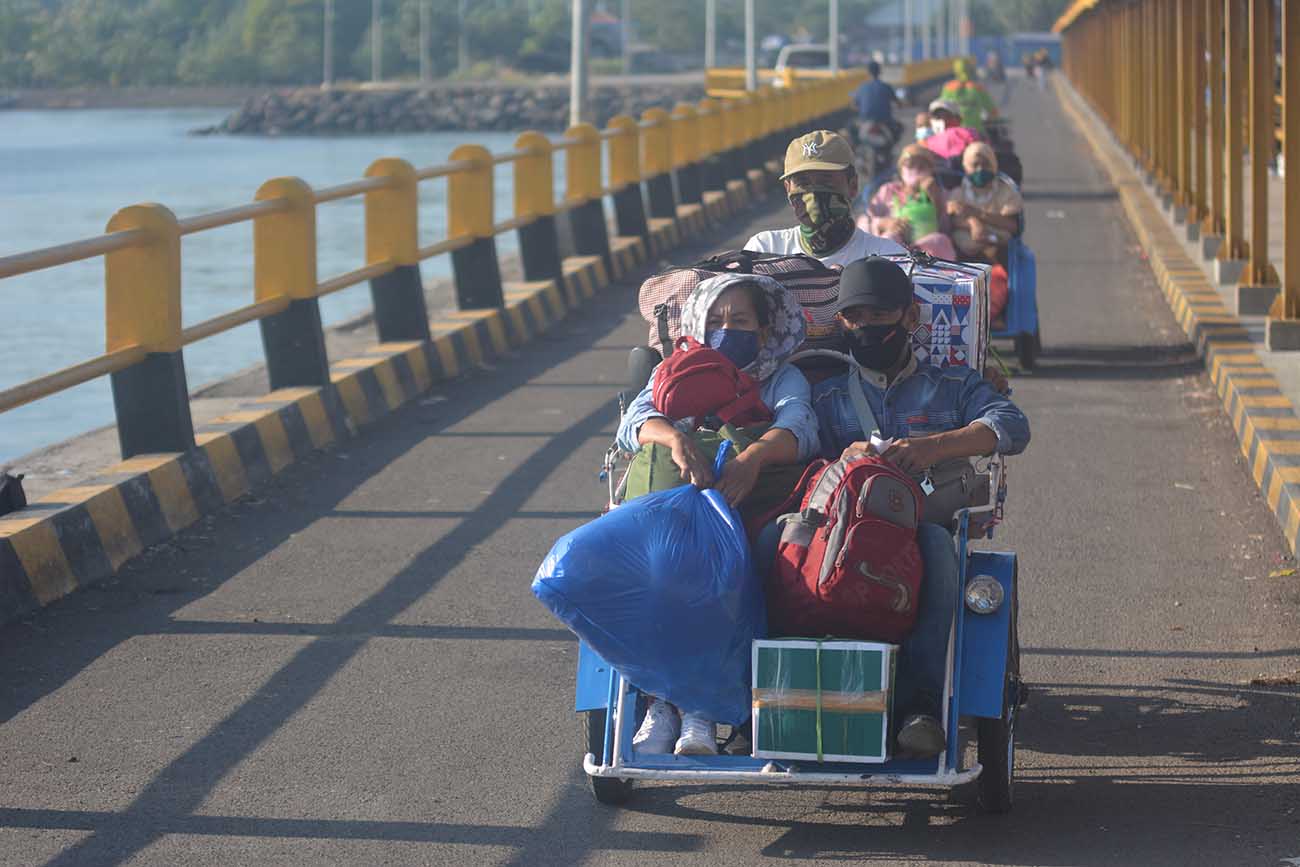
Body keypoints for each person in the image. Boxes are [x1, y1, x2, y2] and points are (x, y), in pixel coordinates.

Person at [810, 257, 1030, 756]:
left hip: (923, 526)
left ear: (911, 318)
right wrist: (841, 459)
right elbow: (796, 458)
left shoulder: (951, 385)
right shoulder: (823, 398)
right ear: (841, 322)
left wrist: (936, 446)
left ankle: (921, 704)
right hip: (840, 532)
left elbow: (1012, 426)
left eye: (879, 315)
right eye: (854, 318)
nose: (866, 328)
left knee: (935, 548)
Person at [618, 272, 819, 756]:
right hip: (679, 517)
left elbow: (801, 426)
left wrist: (752, 459)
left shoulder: (781, 377)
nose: (727, 329)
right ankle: (666, 704)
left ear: (764, 331)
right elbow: (633, 424)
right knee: (662, 571)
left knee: (749, 567)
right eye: (717, 320)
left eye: (741, 320)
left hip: (753, 511)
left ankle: (703, 710)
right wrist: (676, 439)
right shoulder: (675, 372)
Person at [744, 130, 905, 266]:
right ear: (788, 190)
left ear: (853, 186)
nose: (813, 194)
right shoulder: (764, 251)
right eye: (803, 183)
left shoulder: (887, 258)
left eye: (825, 181)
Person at [861, 144, 957, 260]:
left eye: (921, 166)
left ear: (930, 171)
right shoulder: (889, 190)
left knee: (940, 241)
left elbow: (946, 228)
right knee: (889, 239)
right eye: (910, 165)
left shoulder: (939, 192)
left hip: (927, 250)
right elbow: (865, 221)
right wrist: (883, 223)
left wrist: (935, 198)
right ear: (901, 169)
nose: (915, 169)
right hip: (897, 247)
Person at [947, 142, 1022, 263]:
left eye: (985, 165)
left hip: (998, 249)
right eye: (975, 165)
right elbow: (952, 220)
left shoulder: (1007, 191)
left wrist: (978, 214)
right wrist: (974, 224)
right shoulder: (958, 192)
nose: (980, 169)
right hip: (964, 252)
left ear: (993, 165)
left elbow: (1012, 226)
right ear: (966, 167)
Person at [938, 57, 998, 134]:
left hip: (953, 134)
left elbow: (940, 108)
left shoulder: (948, 88)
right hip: (975, 132)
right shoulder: (978, 88)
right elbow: (993, 111)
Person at [852, 60, 903, 142]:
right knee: (899, 128)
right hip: (885, 120)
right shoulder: (886, 86)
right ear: (879, 72)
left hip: (866, 119)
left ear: (868, 72)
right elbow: (898, 103)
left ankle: (855, 151)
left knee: (851, 129)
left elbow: (854, 105)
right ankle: (890, 149)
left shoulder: (862, 87)